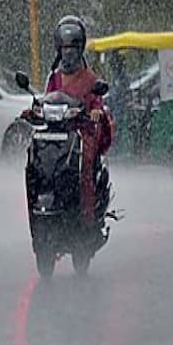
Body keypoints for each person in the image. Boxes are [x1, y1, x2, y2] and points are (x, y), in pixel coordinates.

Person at [45, 15, 112, 224]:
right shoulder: (54, 78)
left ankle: (87, 215)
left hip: (81, 132)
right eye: (64, 48)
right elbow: (47, 100)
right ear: (59, 49)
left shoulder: (90, 78)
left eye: (73, 48)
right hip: (56, 132)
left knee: (85, 161)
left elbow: (96, 103)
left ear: (80, 49)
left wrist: (95, 111)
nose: (68, 53)